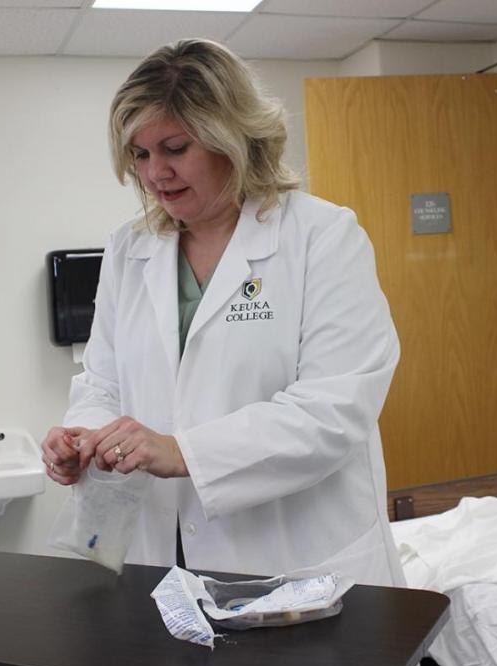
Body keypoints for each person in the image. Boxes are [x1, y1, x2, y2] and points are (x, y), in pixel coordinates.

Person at [41, 38, 404, 586]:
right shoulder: (128, 249)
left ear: (231, 138)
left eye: (175, 147)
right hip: (160, 555)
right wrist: (84, 440)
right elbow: (103, 380)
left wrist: (182, 451)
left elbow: (334, 410)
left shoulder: (322, 237)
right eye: (140, 154)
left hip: (293, 558)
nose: (154, 172)